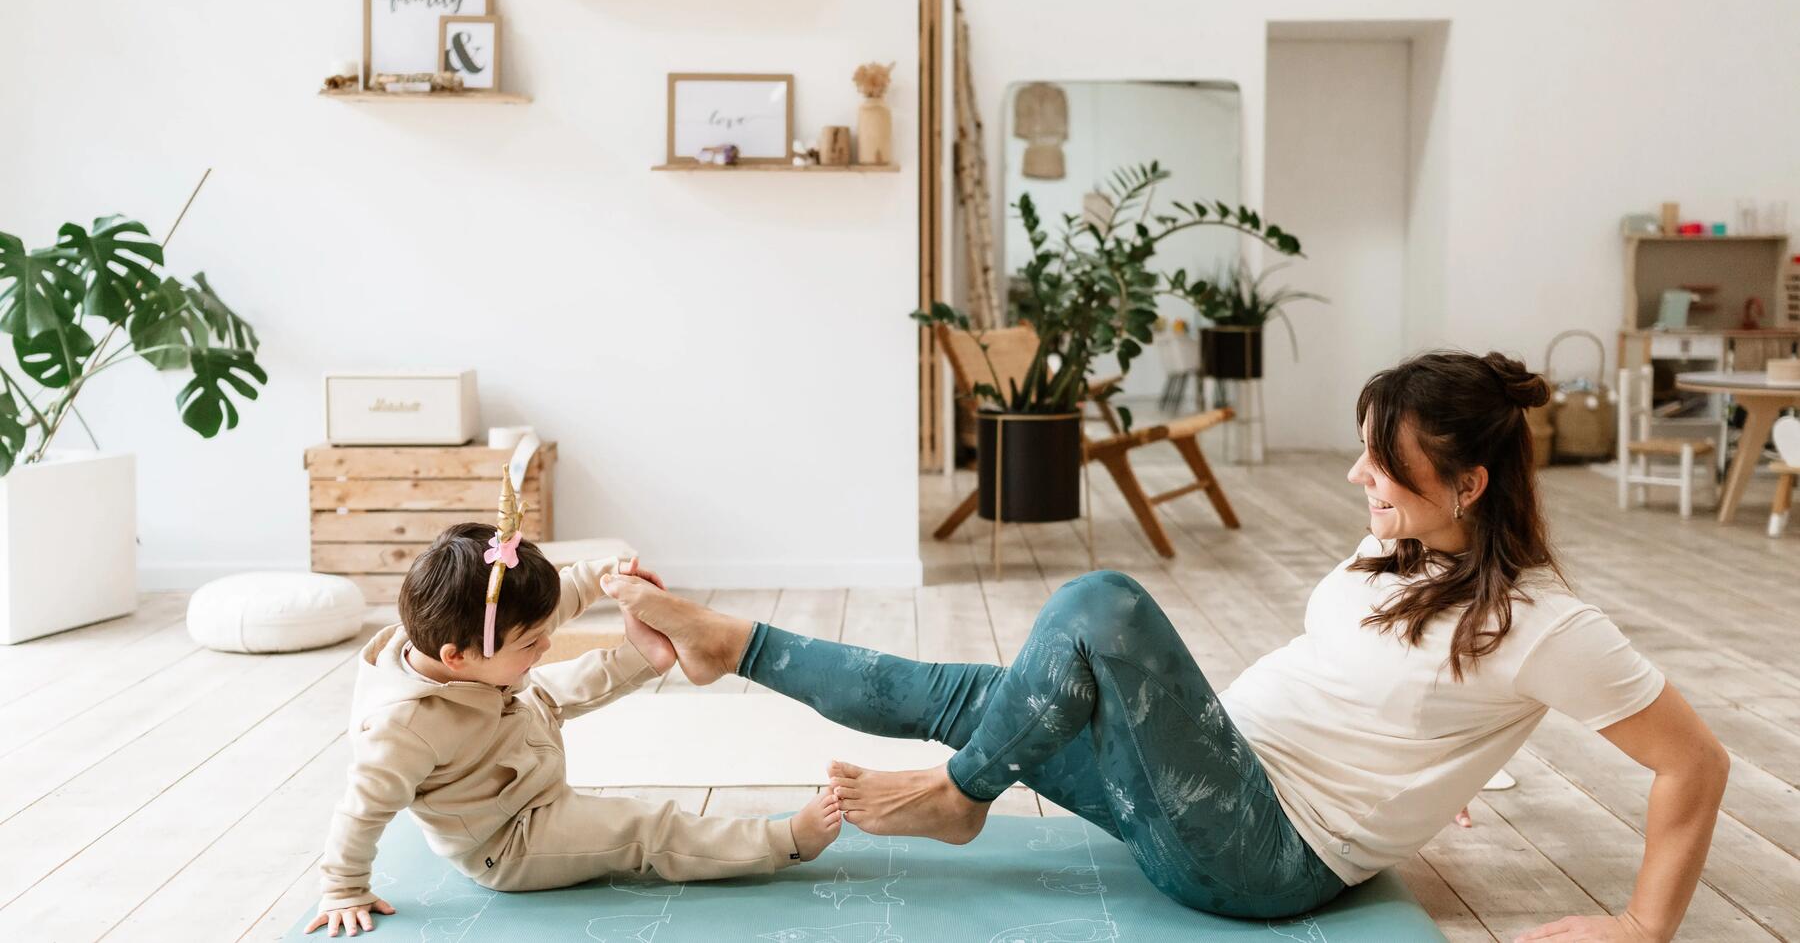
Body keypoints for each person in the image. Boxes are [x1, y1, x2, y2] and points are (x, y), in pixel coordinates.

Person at [608, 351, 1730, 939]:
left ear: (1470, 484)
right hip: (1212, 788)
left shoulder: (1546, 624)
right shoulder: (1402, 557)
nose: (1357, 480)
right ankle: (730, 642)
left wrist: (1643, 924)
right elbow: (1402, 690)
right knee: (983, 689)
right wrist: (1436, 766)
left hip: (1259, 857)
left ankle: (961, 794)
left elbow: (1695, 762)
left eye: (1384, 468)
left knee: (1100, 602)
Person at [306, 523, 841, 938]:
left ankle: (647, 656)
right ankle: (781, 842)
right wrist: (343, 889)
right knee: (642, 826)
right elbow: (361, 811)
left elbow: (552, 604)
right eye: (530, 643)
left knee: (544, 685)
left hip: (508, 731)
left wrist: (610, 576)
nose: (544, 645)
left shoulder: (456, 634)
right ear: (458, 658)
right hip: (513, 835)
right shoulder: (399, 730)